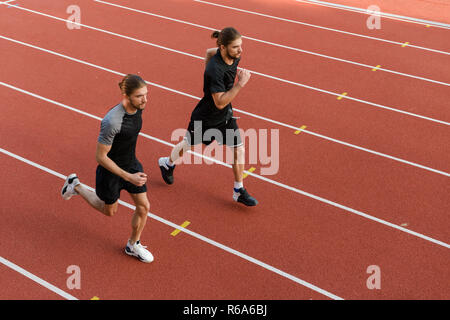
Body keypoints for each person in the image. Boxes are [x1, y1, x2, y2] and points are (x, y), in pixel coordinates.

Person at [158, 27, 258, 206]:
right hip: (205, 117)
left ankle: (238, 190)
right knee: (187, 145)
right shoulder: (214, 70)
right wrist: (240, 84)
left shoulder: (232, 55)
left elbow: (209, 51)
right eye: (235, 47)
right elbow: (219, 102)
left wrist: (208, 61)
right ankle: (167, 163)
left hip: (225, 116)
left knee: (239, 149)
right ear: (224, 47)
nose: (240, 50)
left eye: (241, 46)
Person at [61, 74, 154, 263]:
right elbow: (100, 157)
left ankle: (133, 245)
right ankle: (76, 185)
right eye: (139, 96)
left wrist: (130, 173)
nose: (145, 99)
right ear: (126, 96)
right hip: (110, 172)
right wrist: (128, 177)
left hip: (131, 164)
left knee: (144, 207)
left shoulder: (138, 109)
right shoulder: (112, 122)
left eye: (146, 94)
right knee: (109, 211)